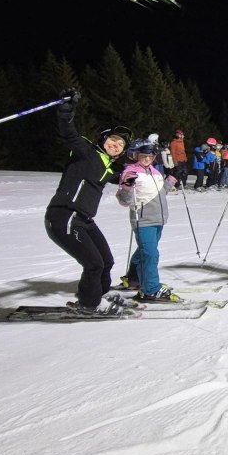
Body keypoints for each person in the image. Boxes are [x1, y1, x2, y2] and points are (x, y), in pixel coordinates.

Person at [43, 88, 132, 315]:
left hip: (83, 219)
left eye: (120, 145)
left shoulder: (107, 167)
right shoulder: (86, 151)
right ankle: (89, 304)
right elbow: (68, 133)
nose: (115, 145)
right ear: (103, 139)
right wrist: (66, 109)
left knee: (106, 261)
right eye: (113, 140)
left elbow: (121, 176)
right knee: (93, 264)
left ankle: (100, 294)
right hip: (64, 215)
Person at [115, 139, 181, 303]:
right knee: (151, 254)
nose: (147, 159)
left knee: (144, 251)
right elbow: (124, 201)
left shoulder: (155, 172)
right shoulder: (130, 172)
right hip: (143, 220)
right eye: (143, 156)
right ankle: (150, 289)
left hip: (158, 218)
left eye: (150, 156)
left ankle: (134, 279)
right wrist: (127, 187)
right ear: (136, 155)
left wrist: (172, 179)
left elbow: (161, 192)